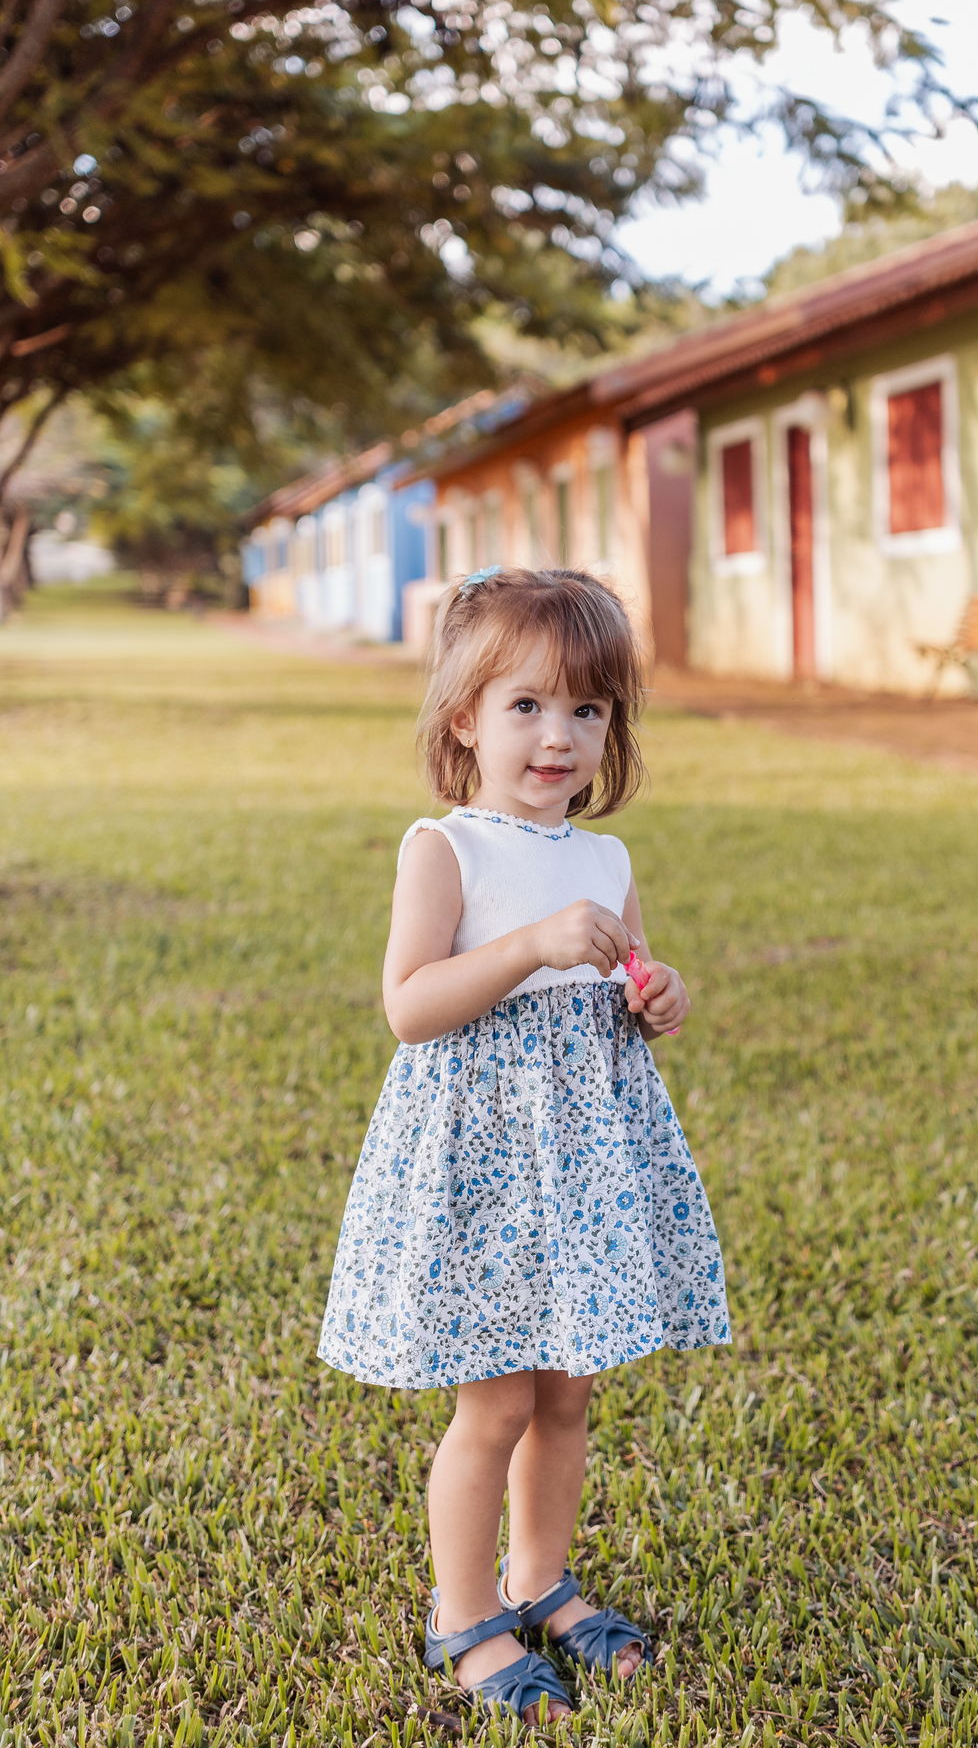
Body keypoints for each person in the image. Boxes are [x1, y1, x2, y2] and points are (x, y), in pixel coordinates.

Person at [318, 565, 730, 1725]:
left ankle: (541, 1581)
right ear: (464, 718)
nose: (559, 737)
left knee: (568, 1395)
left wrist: (657, 993)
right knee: (492, 1407)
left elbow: (630, 971)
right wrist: (531, 946)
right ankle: (468, 1619)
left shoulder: (604, 860)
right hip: (484, 1171)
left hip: (585, 1174)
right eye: (528, 707)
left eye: (588, 709)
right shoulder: (446, 848)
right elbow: (410, 1003)